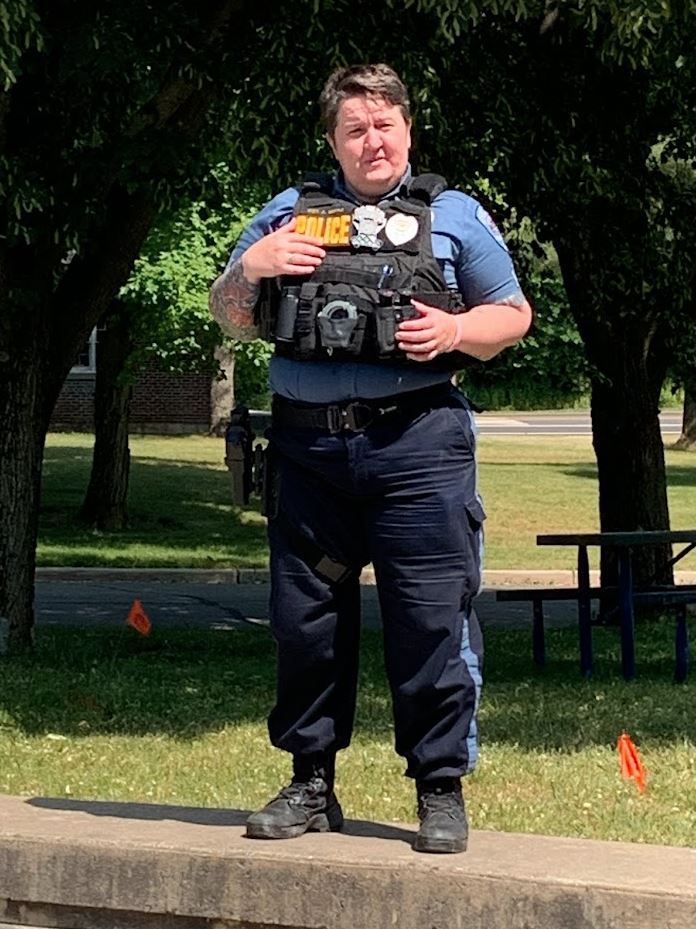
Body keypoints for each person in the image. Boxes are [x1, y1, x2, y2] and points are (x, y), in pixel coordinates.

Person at [210, 63, 531, 854]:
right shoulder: (288, 216)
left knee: (428, 617)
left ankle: (439, 786)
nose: (372, 140)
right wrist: (250, 268)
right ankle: (311, 781)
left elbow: (513, 314)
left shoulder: (452, 216)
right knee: (304, 621)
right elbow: (230, 316)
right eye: (355, 128)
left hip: (418, 445)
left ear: (408, 131)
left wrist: (455, 334)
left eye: (385, 125)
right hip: (309, 450)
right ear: (334, 140)